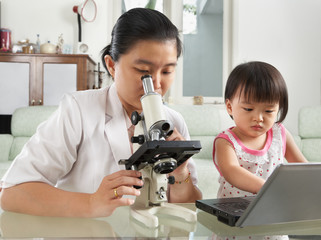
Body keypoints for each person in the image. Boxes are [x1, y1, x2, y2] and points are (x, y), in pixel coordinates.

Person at [0, 8, 202, 217]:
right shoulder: (79, 110)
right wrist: (90, 203)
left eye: (167, 71)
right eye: (143, 71)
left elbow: (188, 207)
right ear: (112, 65)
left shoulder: (173, 121)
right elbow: (13, 192)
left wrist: (180, 174)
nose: (157, 84)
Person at [213, 61, 307, 199]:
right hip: (233, 210)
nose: (259, 118)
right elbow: (231, 171)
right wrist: (267, 188)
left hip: (273, 205)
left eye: (269, 111)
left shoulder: (279, 134)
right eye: (249, 109)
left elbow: (302, 168)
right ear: (229, 106)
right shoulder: (225, 141)